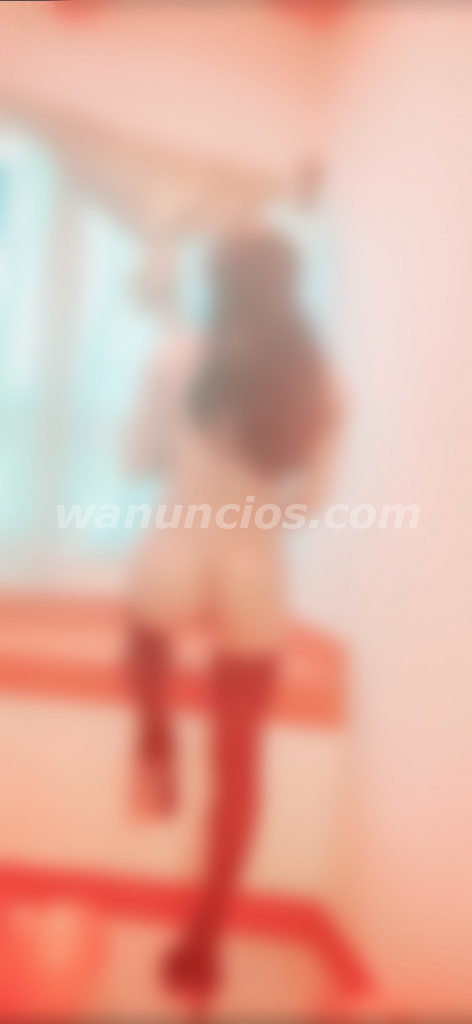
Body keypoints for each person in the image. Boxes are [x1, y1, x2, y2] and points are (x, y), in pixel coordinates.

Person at [125, 227, 343, 997]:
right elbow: (308, 502)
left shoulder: (174, 355)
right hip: (255, 573)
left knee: (145, 630)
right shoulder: (318, 378)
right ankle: (204, 942)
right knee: (241, 765)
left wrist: (180, 461)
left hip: (176, 551)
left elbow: (132, 459)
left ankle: (155, 736)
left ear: (214, 285)